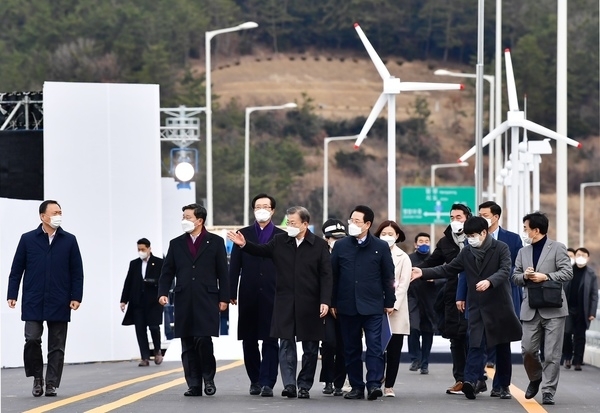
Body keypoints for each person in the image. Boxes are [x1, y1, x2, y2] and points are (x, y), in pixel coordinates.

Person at [227, 206, 332, 400]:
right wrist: (244, 245)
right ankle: (290, 385)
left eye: (293, 223)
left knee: (310, 347)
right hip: (284, 300)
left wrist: (325, 300)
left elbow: (326, 275)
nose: (289, 226)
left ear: (305, 224)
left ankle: (304, 385)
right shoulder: (280, 241)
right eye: (288, 222)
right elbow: (260, 251)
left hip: (310, 302)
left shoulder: (318, 245)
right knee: (286, 344)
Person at [412, 217, 522, 400]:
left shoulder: (501, 248)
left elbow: (505, 271)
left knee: (502, 346)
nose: (470, 238)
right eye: (468, 235)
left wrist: (489, 281)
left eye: (473, 235)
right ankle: (470, 382)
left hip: (499, 305)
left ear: (484, 233)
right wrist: (423, 272)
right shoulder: (467, 252)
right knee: (475, 344)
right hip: (478, 305)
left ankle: (503, 386)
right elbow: (449, 269)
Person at [7, 200, 84, 397]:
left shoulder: (69, 240)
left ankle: (51, 383)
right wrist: (12, 294)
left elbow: (77, 272)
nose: (59, 215)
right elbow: (16, 270)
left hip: (60, 299)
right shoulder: (27, 239)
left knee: (56, 345)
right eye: (55, 212)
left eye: (60, 212)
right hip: (33, 298)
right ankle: (37, 378)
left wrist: (76, 296)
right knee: (32, 339)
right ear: (43, 216)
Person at [158, 204, 229, 397]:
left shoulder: (215, 242)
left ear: (200, 220)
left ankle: (209, 378)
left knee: (204, 339)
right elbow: (167, 271)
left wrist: (224, 297)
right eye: (183, 216)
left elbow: (223, 272)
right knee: (187, 342)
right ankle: (194, 384)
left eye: (188, 217)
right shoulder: (176, 243)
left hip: (207, 298)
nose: (184, 220)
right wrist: (162, 292)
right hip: (183, 298)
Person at [330, 205, 395, 401]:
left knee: (375, 347)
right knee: (351, 348)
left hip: (373, 305)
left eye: (357, 221)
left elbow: (388, 276)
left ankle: (374, 384)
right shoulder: (341, 246)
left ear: (368, 224)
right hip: (347, 305)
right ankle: (357, 386)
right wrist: (332, 302)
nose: (353, 224)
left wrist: (390, 301)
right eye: (351, 220)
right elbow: (333, 276)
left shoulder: (380, 246)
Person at [513, 211, 573, 406]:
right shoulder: (523, 252)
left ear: (536, 230)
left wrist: (545, 276)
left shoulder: (557, 248)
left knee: (552, 353)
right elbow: (514, 277)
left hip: (554, 308)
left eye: (525, 228)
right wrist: (526, 276)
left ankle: (548, 391)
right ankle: (536, 377)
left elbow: (567, 273)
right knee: (528, 349)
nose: (524, 232)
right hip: (530, 308)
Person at [229, 193, 284, 397]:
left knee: (271, 339)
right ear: (253, 210)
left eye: (265, 206)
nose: (261, 209)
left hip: (273, 293)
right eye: (257, 206)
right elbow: (234, 266)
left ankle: (268, 382)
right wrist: (231, 291)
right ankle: (255, 380)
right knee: (249, 339)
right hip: (249, 292)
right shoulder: (242, 234)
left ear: (272, 210)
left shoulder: (282, 236)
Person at [418, 203, 471, 395]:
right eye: (452, 217)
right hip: (453, 294)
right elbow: (432, 263)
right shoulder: (445, 242)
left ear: (468, 217)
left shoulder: (477, 238)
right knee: (456, 337)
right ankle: (460, 379)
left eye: (459, 217)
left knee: (472, 336)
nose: (455, 221)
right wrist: (415, 271)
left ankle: (475, 377)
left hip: (475, 294)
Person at [477, 201, 523, 395]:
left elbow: (517, 267)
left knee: (503, 343)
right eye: (479, 214)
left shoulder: (512, 240)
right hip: (480, 296)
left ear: (496, 217)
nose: (482, 218)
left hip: (505, 296)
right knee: (478, 341)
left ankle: (502, 385)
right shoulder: (474, 238)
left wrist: (495, 275)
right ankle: (478, 379)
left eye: (485, 214)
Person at [374, 220, 411, 397]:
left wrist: (393, 305)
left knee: (394, 350)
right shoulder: (372, 253)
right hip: (375, 307)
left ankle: (389, 385)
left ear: (397, 236)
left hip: (396, 310)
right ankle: (376, 378)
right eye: (383, 233)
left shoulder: (403, 257)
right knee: (376, 347)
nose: (387, 237)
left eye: (390, 234)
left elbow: (403, 285)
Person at [120, 238, 164, 367]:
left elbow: (164, 279)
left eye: (143, 249)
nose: (141, 252)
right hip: (138, 301)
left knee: (154, 327)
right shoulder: (134, 264)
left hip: (153, 301)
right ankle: (145, 357)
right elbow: (128, 282)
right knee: (140, 329)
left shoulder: (159, 262)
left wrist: (153, 282)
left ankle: (157, 350)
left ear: (149, 249)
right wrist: (124, 300)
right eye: (139, 249)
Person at [319, 218, 348, 396]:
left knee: (344, 346)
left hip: (345, 306)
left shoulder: (348, 252)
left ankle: (339, 382)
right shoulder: (321, 254)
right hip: (326, 307)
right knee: (329, 343)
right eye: (333, 238)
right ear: (326, 238)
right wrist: (328, 303)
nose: (337, 241)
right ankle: (328, 380)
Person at [561, 247, 598, 370]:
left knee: (580, 336)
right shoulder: (568, 271)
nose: (580, 257)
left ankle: (577, 361)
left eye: (583, 255)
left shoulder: (591, 274)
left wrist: (592, 312)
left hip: (583, 310)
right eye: (578, 254)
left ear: (587, 258)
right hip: (568, 308)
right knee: (566, 334)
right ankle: (567, 356)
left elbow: (594, 295)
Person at [407, 232, 439, 375]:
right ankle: (415, 358)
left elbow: (444, 275)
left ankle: (425, 362)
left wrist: (434, 279)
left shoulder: (434, 259)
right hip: (412, 298)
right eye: (421, 241)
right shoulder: (409, 259)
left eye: (427, 241)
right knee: (413, 328)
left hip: (430, 299)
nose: (424, 243)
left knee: (427, 331)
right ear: (415, 244)